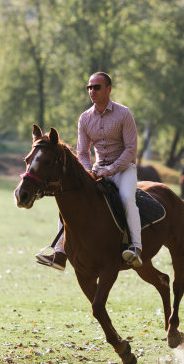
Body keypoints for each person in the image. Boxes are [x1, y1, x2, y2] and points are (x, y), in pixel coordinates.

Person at [35, 72, 143, 271]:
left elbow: (131, 150)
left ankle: (135, 248)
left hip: (123, 170)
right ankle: (59, 253)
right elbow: (83, 151)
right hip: (97, 170)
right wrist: (87, 171)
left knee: (128, 198)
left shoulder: (124, 114)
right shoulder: (84, 118)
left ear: (108, 89)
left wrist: (110, 170)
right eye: (89, 87)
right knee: (69, 202)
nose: (92, 91)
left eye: (96, 87)